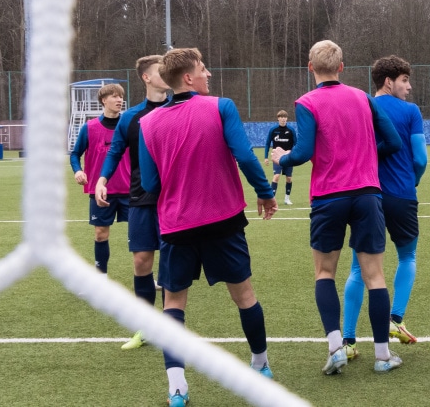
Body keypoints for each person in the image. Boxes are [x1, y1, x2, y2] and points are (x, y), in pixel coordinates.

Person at [138, 48, 278, 406]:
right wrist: (265, 192)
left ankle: (177, 389)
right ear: (188, 77)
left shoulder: (148, 123)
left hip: (175, 226)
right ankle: (260, 366)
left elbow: (151, 183)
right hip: (223, 220)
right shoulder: (220, 106)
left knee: (173, 304)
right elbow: (245, 155)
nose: (208, 74)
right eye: (203, 68)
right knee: (244, 295)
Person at [272, 40, 403, 375]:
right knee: (374, 276)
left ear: (310, 66)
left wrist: (281, 158)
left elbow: (302, 152)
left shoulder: (307, 102)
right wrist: (364, 155)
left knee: (325, 273)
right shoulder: (362, 97)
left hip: (329, 196)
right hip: (367, 194)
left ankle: (336, 349)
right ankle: (383, 356)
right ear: (342, 67)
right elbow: (393, 142)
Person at [342, 55, 427, 358]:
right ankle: (395, 320)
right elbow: (420, 159)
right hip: (402, 195)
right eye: (405, 80)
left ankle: (349, 342)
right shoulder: (410, 112)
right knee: (408, 257)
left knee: (357, 268)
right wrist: (411, 182)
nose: (409, 86)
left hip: (369, 196)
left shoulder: (363, 107)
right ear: (389, 82)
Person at [95, 55, 169, 351]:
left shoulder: (180, 109)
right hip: (140, 197)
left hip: (174, 198)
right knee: (141, 261)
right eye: (160, 71)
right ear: (146, 78)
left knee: (171, 265)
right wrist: (102, 179)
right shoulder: (130, 117)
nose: (166, 74)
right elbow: (115, 151)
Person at [69, 83, 130, 275]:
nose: (120, 100)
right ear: (104, 100)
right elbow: (74, 154)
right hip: (100, 192)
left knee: (139, 237)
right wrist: (78, 170)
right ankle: (100, 277)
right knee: (100, 234)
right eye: (114, 96)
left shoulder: (129, 125)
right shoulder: (90, 128)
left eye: (121, 96)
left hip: (130, 190)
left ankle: (146, 277)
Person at [263, 110, 297, 206]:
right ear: (278, 118)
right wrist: (266, 157)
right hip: (277, 158)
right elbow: (267, 143)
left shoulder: (291, 130)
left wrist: (292, 153)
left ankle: (287, 199)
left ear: (287, 118)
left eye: (285, 117)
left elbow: (296, 143)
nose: (283, 119)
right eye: (281, 117)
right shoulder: (273, 130)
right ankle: (271, 200)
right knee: (276, 176)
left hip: (288, 158)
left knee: (289, 178)